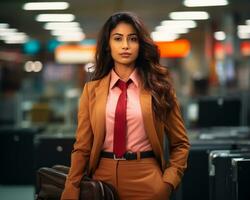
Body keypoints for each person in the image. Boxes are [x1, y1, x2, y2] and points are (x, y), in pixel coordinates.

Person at [61, 11, 190, 200]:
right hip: (102, 179)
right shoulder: (91, 90)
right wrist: (71, 186)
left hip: (147, 179)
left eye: (132, 39)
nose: (125, 46)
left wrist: (168, 183)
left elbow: (180, 144)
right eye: (118, 39)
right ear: (108, 45)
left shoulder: (159, 88)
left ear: (140, 45)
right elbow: (82, 146)